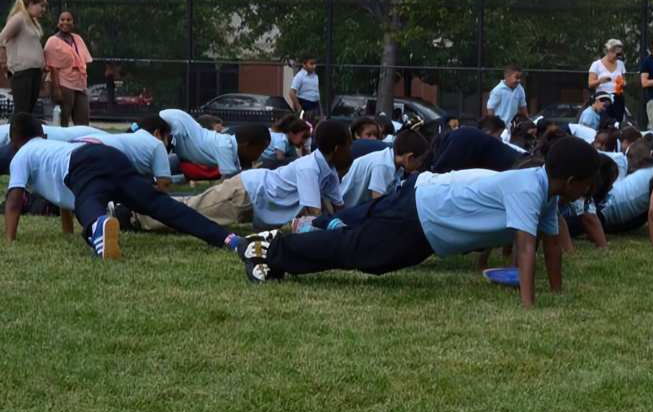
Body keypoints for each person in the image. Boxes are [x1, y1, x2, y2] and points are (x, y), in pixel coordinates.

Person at [236, 136, 600, 308]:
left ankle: (277, 249)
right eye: (588, 184)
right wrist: (529, 308)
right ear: (572, 182)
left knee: (367, 254)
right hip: (425, 210)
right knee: (359, 250)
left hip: (428, 218)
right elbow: (525, 247)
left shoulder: (546, 192)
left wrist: (556, 294)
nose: (588, 190)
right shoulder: (528, 187)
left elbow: (551, 245)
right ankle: (268, 249)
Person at [3, 113, 242, 259]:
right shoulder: (49, 146)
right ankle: (226, 238)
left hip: (82, 165)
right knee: (159, 205)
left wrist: (11, 239)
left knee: (88, 205)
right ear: (43, 135)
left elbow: (14, 200)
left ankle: (98, 227)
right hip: (108, 155)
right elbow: (60, 197)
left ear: (13, 142)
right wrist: (66, 231)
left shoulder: (21, 155)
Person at [125, 120, 350, 233]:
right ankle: (134, 214)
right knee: (190, 212)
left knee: (192, 209)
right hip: (245, 193)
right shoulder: (310, 167)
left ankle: (139, 207)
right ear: (338, 148)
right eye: (349, 147)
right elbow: (316, 214)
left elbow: (338, 208)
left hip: (252, 199)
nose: (351, 152)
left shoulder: (327, 170)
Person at [159, 108, 269, 178]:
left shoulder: (229, 148)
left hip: (179, 132)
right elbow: (231, 182)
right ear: (248, 145)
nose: (260, 155)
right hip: (173, 121)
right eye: (260, 150)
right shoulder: (225, 146)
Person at [340, 129, 428, 207]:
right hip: (347, 208)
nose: (420, 164)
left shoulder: (392, 161)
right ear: (410, 157)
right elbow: (378, 200)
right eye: (420, 160)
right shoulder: (384, 165)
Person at [0, 0, 48, 116]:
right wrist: (3, 59)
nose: (44, 9)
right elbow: (2, 38)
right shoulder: (19, 18)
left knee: (29, 110)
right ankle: (14, 133)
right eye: (41, 5)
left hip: (35, 71)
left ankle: (24, 133)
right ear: (31, 3)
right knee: (22, 110)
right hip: (22, 72)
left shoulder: (32, 22)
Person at [43, 9, 93, 127]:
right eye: (62, 19)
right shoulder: (53, 41)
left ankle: (81, 143)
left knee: (83, 121)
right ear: (57, 22)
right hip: (63, 84)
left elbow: (82, 61)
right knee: (63, 121)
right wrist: (56, 89)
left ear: (73, 23)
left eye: (69, 20)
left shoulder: (77, 39)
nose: (65, 22)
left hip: (79, 84)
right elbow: (53, 67)